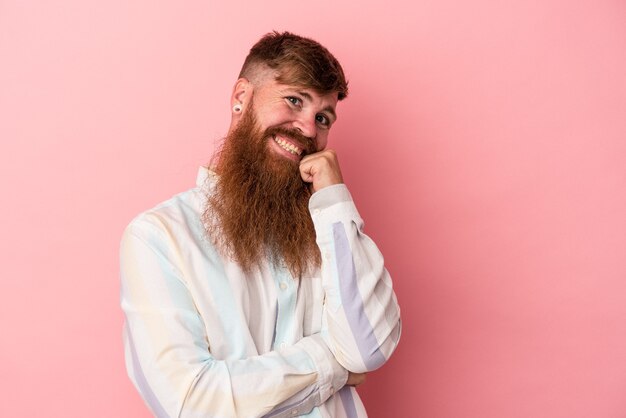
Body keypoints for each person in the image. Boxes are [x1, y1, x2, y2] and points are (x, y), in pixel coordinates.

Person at [120, 31, 401, 418]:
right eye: (294, 100)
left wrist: (335, 202)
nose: (307, 129)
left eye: (322, 117)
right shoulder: (159, 238)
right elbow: (192, 403)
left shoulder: (328, 229)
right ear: (241, 98)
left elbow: (368, 347)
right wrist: (332, 361)